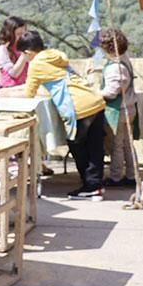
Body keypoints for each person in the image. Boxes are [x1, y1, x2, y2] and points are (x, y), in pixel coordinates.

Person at [16, 31, 107, 201]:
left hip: (78, 107)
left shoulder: (36, 64)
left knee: (77, 145)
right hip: (94, 100)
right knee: (95, 147)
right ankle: (96, 186)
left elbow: (28, 93)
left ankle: (91, 186)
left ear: (27, 52)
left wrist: (6, 93)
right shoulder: (56, 55)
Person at [97, 28, 138, 188]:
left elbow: (112, 92)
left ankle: (115, 177)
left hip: (120, 111)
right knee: (128, 144)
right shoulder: (124, 59)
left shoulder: (116, 67)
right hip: (129, 107)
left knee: (117, 146)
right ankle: (131, 175)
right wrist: (98, 69)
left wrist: (95, 94)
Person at [0, 16, 29, 87]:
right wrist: (24, 55)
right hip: (10, 87)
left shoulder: (22, 47)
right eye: (19, 34)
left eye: (24, 33)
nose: (22, 37)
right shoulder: (2, 50)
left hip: (25, 85)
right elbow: (14, 73)